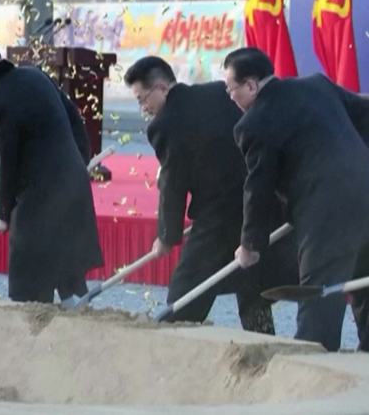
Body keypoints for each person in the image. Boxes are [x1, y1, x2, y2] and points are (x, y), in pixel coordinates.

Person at [124, 55, 295, 333]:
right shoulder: (218, 91)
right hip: (259, 204)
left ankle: (172, 338)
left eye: (143, 99)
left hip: (218, 216)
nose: (143, 108)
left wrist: (167, 236)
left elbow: (173, 183)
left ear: (162, 88)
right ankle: (262, 337)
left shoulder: (163, 125)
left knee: (184, 293)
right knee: (250, 278)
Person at [225, 47, 369, 352]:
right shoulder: (315, 84)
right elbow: (364, 111)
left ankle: (313, 363)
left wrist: (251, 244)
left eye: (231, 90)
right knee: (364, 277)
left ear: (250, 85)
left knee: (320, 290)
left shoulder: (253, 124)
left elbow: (258, 188)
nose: (231, 98)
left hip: (326, 210)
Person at [0, 36, 102, 304]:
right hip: (72, 187)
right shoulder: (35, 75)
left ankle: (35, 333)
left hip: (40, 200)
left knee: (29, 285)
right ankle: (79, 319)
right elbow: (74, 118)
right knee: (67, 270)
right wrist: (78, 162)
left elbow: (6, 162)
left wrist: (3, 212)